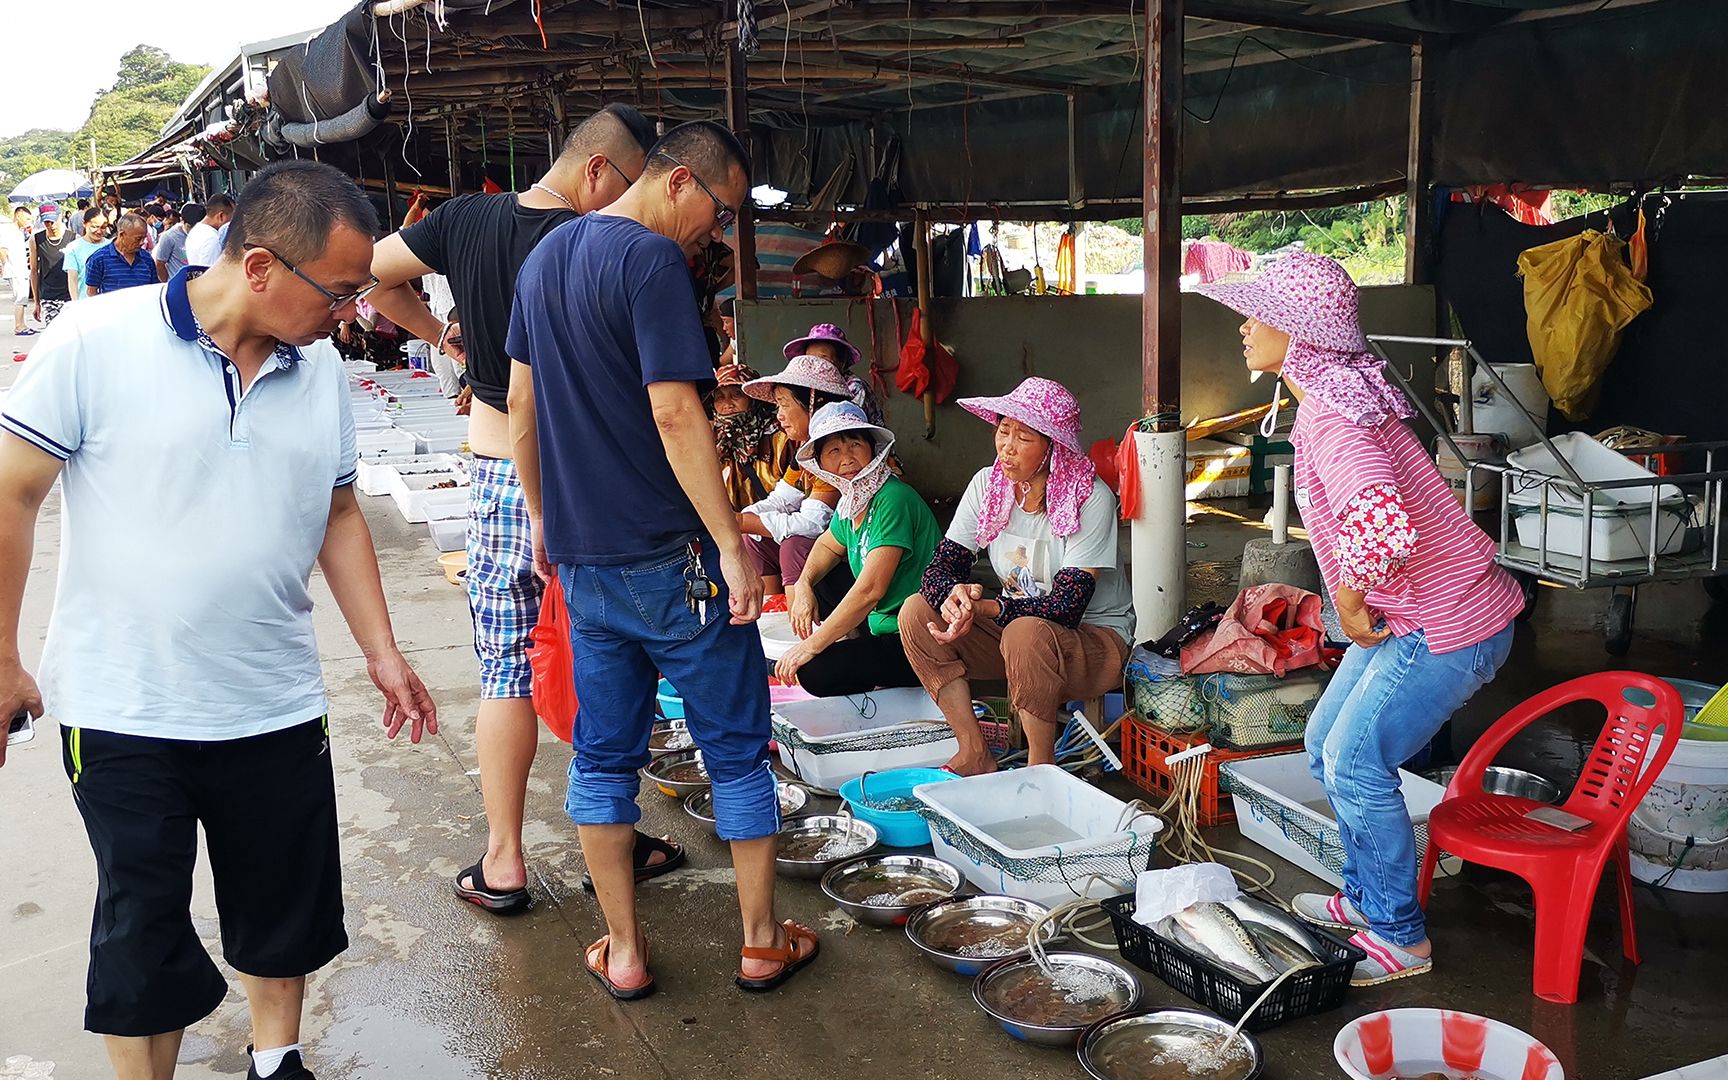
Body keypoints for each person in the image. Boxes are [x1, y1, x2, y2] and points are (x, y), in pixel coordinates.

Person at [0, 160, 438, 1080]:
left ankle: (276, 1062)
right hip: (124, 708)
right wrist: (0, 655)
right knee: (142, 929)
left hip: (270, 698)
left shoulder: (316, 370)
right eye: (344, 289)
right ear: (266, 267)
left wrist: (383, 651)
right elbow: (12, 494)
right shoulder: (94, 337)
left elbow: (341, 510)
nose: (353, 311)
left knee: (284, 907)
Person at [508, 119, 819, 1001]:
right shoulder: (649, 264)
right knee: (735, 754)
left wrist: (541, 515)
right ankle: (761, 943)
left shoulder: (546, 261)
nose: (714, 234)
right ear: (681, 181)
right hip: (672, 561)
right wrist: (732, 546)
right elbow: (677, 414)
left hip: (585, 564)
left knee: (603, 762)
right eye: (719, 213)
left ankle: (626, 951)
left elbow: (521, 404)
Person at [366, 103, 670, 911]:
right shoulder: (597, 247)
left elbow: (368, 272)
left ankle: (502, 860)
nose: (630, 207)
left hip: (500, 468)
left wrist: (442, 333)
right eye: (630, 187)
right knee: (606, 656)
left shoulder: (466, 220)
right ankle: (615, 836)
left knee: (506, 663)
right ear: (598, 170)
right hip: (597, 481)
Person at [1196, 252, 1523, 987]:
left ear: (1297, 327)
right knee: (1324, 744)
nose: (1244, 326)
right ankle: (1370, 898)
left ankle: (1399, 935)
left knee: (1353, 760)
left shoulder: (1332, 416)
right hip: (1426, 613)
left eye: (1256, 312)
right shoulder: (1335, 395)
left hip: (1447, 623)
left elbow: (1379, 524)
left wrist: (1346, 600)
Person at [902, 376, 1136, 776]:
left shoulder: (1090, 498)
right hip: (1019, 637)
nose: (1006, 447)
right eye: (1003, 430)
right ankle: (974, 751)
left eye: (1024, 437)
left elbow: (1066, 607)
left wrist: (986, 607)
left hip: (1094, 641)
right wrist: (954, 598)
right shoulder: (988, 486)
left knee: (1025, 631)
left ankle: (1040, 768)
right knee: (916, 612)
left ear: (1052, 447)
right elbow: (940, 568)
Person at [777, 402, 939, 697]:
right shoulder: (851, 500)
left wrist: (811, 646)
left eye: (855, 444)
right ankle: (859, 649)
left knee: (813, 672)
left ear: (871, 450)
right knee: (819, 578)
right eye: (834, 451)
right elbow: (828, 543)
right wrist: (803, 585)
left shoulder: (892, 497)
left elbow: (871, 590)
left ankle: (886, 680)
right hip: (880, 624)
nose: (847, 458)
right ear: (821, 462)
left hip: (916, 637)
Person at [736, 354, 849, 594]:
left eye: (784, 404)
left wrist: (745, 522)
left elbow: (813, 524)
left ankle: (801, 623)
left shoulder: (834, 452)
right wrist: (743, 520)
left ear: (813, 404)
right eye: (777, 406)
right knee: (753, 540)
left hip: (849, 558)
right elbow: (782, 498)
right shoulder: (804, 450)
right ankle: (772, 619)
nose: (779, 415)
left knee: (794, 545)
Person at [711, 361, 796, 512]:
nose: (727, 404)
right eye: (719, 398)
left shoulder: (782, 436)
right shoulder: (714, 443)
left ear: (753, 399)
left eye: (736, 395)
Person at [782, 321, 885, 425]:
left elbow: (843, 426)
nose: (815, 364)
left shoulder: (854, 388)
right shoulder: (810, 386)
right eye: (810, 359)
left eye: (823, 359)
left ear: (842, 362)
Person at [85, 213, 158, 295]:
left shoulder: (146, 258)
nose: (142, 242)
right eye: (138, 239)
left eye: (144, 238)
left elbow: (154, 288)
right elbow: (91, 291)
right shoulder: (99, 259)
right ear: (122, 235)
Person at [29, 204, 73, 327]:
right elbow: (34, 271)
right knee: (54, 332)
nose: (50, 225)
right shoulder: (36, 239)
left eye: (52, 221)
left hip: (69, 294)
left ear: (60, 216)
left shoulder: (73, 238)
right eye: (46, 221)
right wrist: (36, 302)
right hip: (48, 295)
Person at [64, 209, 108, 299]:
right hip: (84, 302)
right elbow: (72, 279)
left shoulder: (111, 246)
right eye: (94, 226)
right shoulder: (73, 247)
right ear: (84, 224)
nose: (99, 231)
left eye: (103, 227)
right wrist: (76, 303)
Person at [154, 202, 201, 282]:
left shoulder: (203, 234)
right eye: (190, 227)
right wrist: (168, 283)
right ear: (183, 222)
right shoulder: (169, 236)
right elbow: (160, 263)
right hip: (179, 284)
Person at [185, 192, 233, 266]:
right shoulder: (212, 239)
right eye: (231, 218)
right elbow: (211, 273)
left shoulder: (195, 231)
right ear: (221, 216)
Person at [4, 206, 30, 334]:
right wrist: (7, 265)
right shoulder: (9, 231)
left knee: (23, 297)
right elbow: (2, 250)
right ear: (19, 215)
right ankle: (19, 326)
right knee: (20, 297)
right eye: (26, 218)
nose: (28, 222)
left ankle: (22, 324)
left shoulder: (20, 232)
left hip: (22, 269)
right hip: (15, 269)